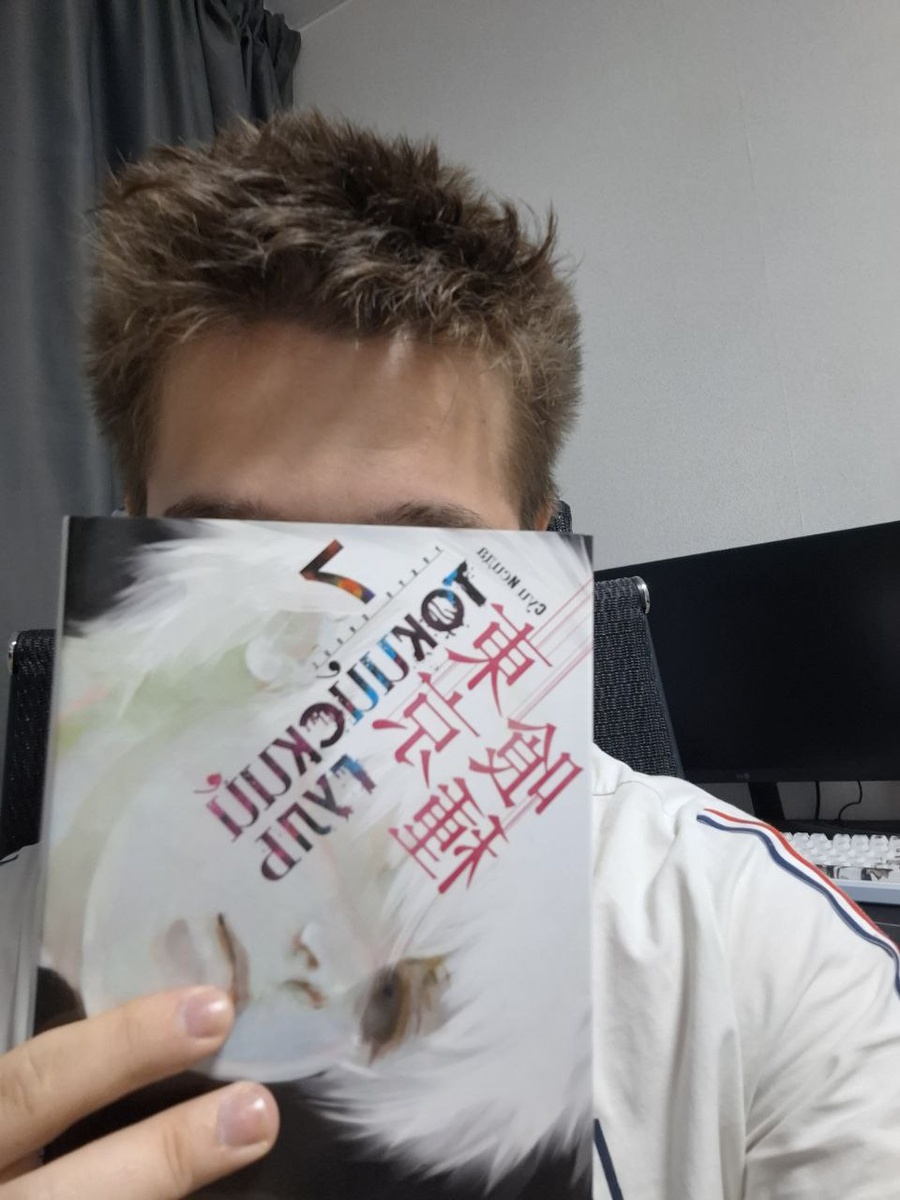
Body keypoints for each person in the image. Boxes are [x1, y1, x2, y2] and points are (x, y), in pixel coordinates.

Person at [1, 110, 899, 1199]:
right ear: (131, 530)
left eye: (418, 562)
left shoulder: (761, 947)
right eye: (233, 548)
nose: (327, 655)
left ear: (538, 547)